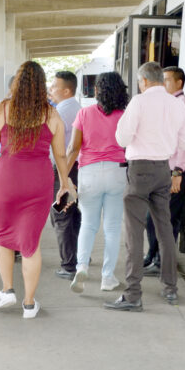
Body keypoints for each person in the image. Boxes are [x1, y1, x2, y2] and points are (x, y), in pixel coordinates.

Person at [0, 60, 70, 319]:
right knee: (31, 243)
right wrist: (65, 182)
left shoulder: (2, 110)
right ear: (42, 86)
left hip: (7, 179)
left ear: (17, 83)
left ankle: (7, 290)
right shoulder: (52, 114)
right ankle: (29, 304)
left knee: (2, 234)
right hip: (38, 182)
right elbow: (60, 155)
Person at [104, 62, 185, 312]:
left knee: (134, 233)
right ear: (161, 80)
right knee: (165, 230)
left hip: (140, 169)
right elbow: (184, 143)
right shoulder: (177, 105)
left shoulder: (139, 103)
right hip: (164, 169)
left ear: (143, 80)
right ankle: (170, 288)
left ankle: (132, 295)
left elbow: (122, 138)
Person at [66, 72, 129, 294]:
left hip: (89, 173)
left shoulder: (84, 113)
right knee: (112, 227)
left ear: (96, 91)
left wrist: (64, 178)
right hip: (117, 172)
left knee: (88, 225)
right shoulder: (124, 115)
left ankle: (81, 266)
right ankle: (107, 277)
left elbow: (73, 148)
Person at [143, 66, 185, 275]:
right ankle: (154, 256)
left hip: (179, 172)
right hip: (168, 170)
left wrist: (177, 173)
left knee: (160, 218)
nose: (163, 84)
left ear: (179, 83)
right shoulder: (172, 103)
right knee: (162, 218)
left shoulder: (183, 105)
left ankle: (161, 262)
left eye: (167, 80)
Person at [48, 71, 83, 280]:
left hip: (63, 170)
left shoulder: (62, 111)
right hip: (74, 168)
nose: (51, 90)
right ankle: (76, 259)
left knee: (61, 215)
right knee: (72, 215)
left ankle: (68, 265)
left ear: (66, 90)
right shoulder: (75, 108)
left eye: (54, 86)